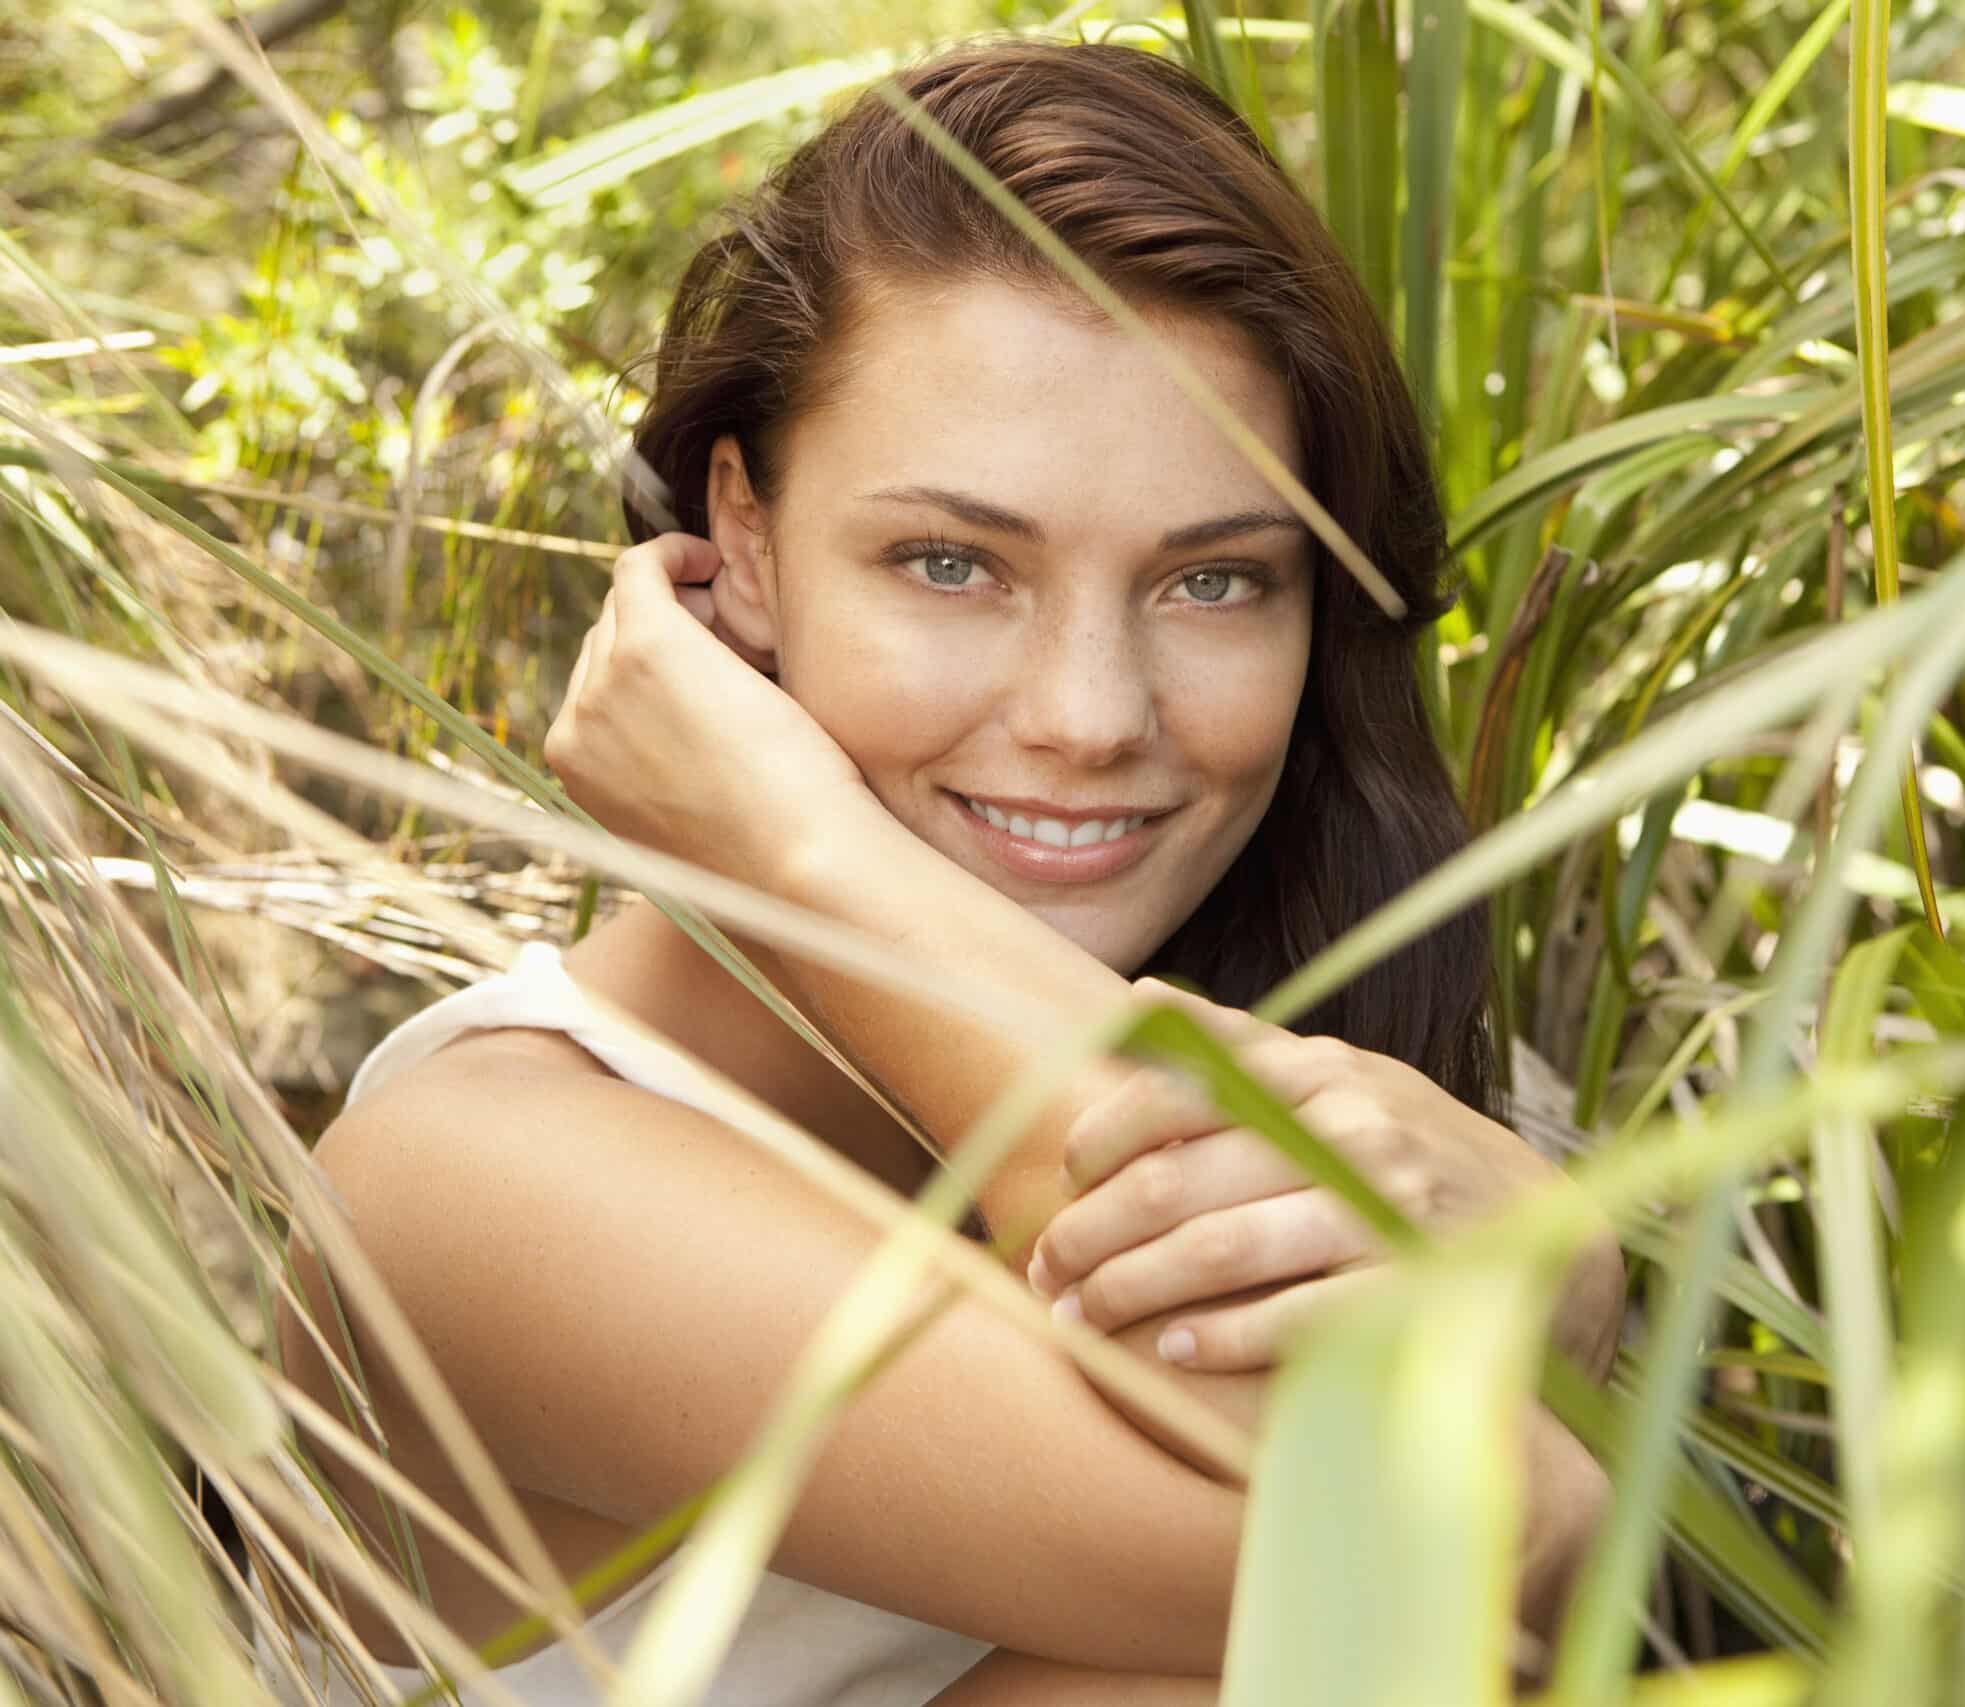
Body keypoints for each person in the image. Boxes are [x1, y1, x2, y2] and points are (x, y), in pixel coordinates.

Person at [266, 36, 1624, 1706]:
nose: (1088, 717)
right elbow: (1470, 1545)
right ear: (742, 542)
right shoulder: (468, 1184)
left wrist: (1559, 1254)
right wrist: (804, 849)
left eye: (1214, 584)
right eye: (951, 562)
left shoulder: (1302, 1056)